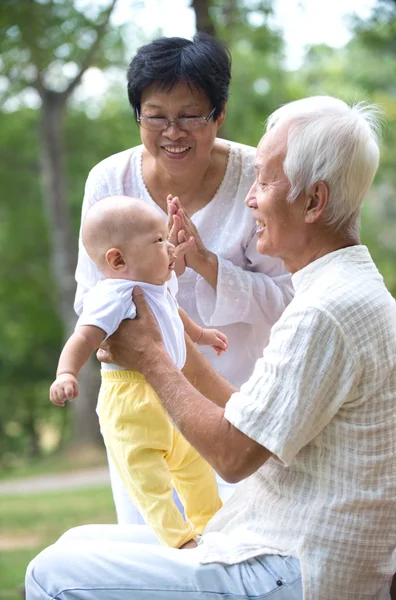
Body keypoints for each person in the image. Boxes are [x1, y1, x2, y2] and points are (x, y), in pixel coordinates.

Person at [27, 95, 396, 600]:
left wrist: (153, 359)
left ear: (314, 201)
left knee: (50, 571)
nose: (250, 197)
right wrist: (171, 343)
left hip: (294, 569)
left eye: (266, 181)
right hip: (286, 545)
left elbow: (230, 453)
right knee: (78, 539)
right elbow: (248, 415)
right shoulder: (343, 289)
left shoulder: (324, 312)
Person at [74, 33, 293, 522]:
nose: (173, 132)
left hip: (240, 405)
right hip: (143, 409)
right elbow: (91, 298)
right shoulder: (110, 182)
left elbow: (289, 304)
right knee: (157, 547)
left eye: (191, 115)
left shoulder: (260, 179)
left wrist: (205, 263)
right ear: (138, 115)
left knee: (238, 555)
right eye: (156, 116)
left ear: (219, 112)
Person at [49, 195, 225, 548]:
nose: (170, 247)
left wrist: (201, 335)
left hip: (168, 393)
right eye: (159, 241)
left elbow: (174, 313)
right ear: (118, 259)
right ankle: (179, 539)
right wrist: (66, 373)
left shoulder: (154, 287)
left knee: (194, 464)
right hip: (131, 402)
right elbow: (84, 336)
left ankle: (212, 524)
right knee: (149, 481)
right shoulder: (113, 294)